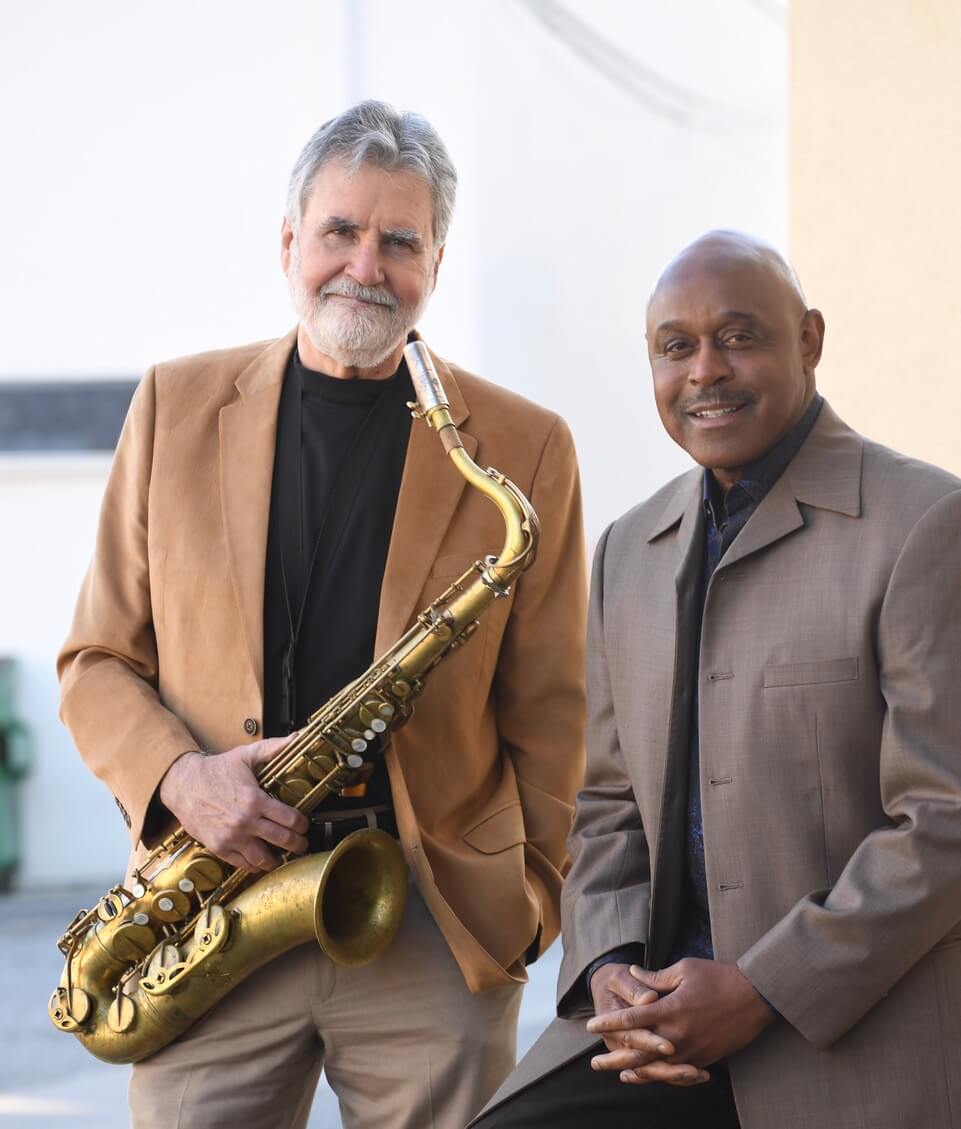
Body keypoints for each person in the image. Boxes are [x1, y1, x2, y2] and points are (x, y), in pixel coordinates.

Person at [57, 100, 586, 1129]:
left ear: (436, 261)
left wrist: (529, 900)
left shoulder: (525, 443)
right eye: (340, 230)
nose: (365, 266)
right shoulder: (173, 404)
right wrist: (183, 779)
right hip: (210, 905)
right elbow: (96, 660)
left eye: (400, 241)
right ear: (289, 242)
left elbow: (555, 707)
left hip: (429, 922)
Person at [472, 230, 961, 1129]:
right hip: (653, 1028)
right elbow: (608, 803)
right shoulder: (628, 549)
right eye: (675, 346)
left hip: (845, 1039)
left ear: (808, 340)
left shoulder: (925, 523)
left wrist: (759, 988)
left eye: (738, 337)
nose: (704, 371)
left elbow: (942, 820)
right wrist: (608, 965)